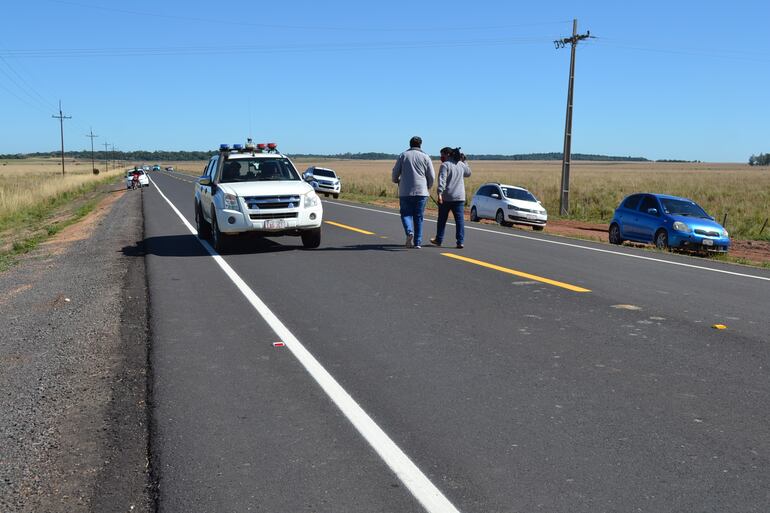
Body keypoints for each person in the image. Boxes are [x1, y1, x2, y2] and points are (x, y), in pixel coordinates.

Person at [392, 136, 435, 248]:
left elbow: (395, 172)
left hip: (405, 191)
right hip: (421, 191)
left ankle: (409, 231)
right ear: (421, 144)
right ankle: (417, 242)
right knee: (419, 217)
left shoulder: (403, 155)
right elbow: (431, 175)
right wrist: (428, 186)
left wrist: (396, 180)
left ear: (410, 144)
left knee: (405, 214)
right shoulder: (426, 156)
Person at [430, 147, 471, 249]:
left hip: (447, 197)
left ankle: (439, 239)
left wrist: (439, 193)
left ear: (447, 154)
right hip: (460, 197)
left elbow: (442, 180)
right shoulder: (460, 164)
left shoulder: (445, 165)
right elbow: (468, 173)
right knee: (459, 220)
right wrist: (464, 161)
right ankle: (460, 241)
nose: (441, 157)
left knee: (442, 220)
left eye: (442, 155)